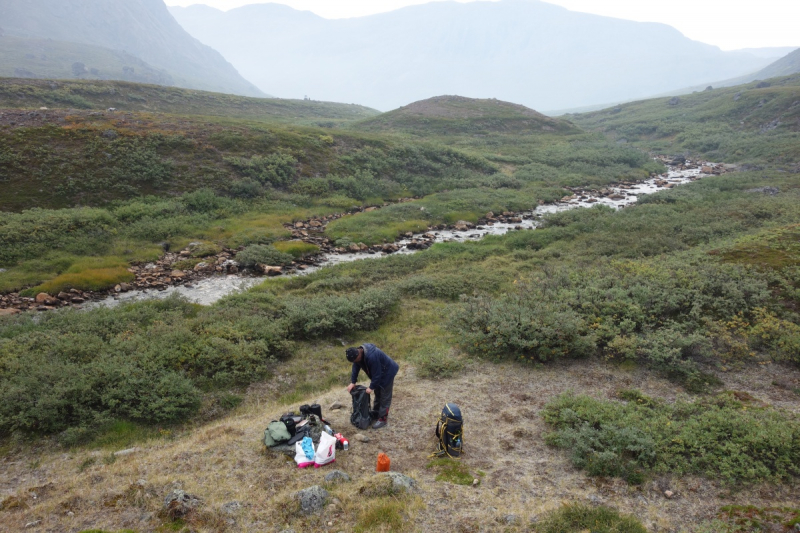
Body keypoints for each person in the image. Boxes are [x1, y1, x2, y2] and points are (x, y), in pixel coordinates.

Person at [345, 344, 399, 429]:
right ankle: (377, 412)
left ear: (358, 354)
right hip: (379, 373)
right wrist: (353, 382)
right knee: (378, 393)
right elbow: (355, 367)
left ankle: (383, 419)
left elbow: (377, 374)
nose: (355, 362)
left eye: (355, 360)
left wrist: (371, 387)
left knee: (385, 396)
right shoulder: (357, 357)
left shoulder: (371, 356)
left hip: (388, 372)